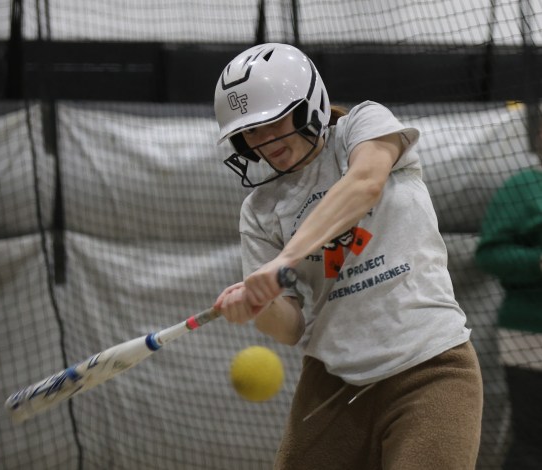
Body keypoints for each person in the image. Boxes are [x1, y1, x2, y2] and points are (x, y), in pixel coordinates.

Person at [212, 43, 483, 470]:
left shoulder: (364, 124)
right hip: (332, 382)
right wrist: (259, 305)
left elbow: (364, 184)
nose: (263, 141)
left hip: (429, 367)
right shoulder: (259, 210)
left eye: (272, 122)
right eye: (250, 132)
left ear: (310, 104)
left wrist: (286, 259)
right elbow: (290, 326)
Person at [475, 120, 542, 470]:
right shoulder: (523, 186)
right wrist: (538, 263)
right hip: (530, 333)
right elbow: (489, 254)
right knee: (534, 444)